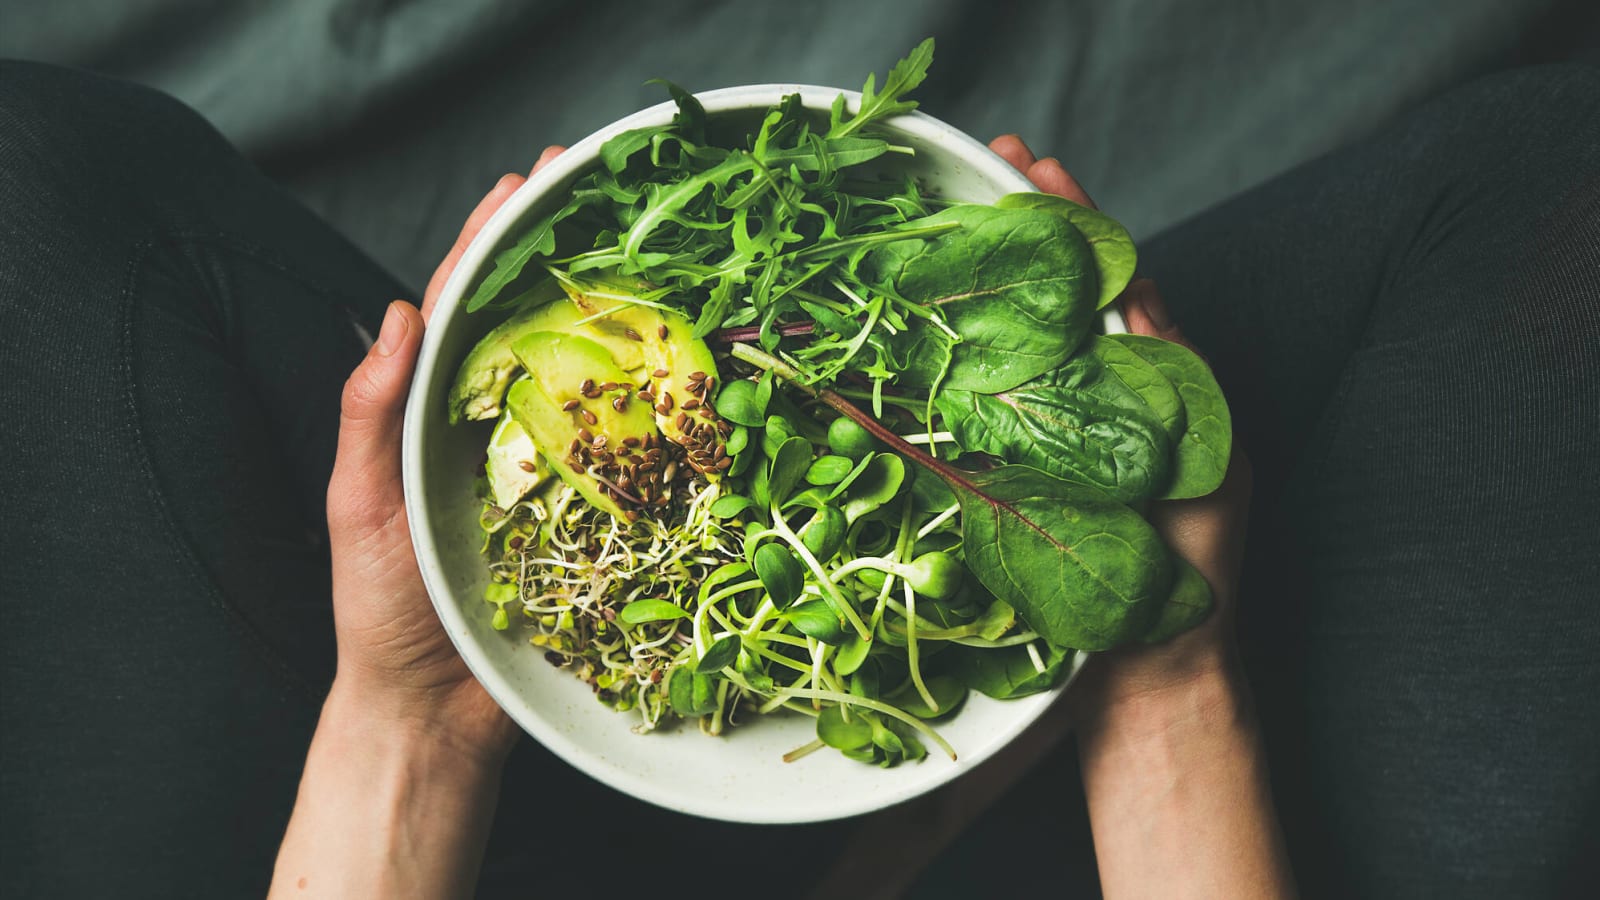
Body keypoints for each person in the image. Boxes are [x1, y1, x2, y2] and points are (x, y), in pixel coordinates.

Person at [2, 59, 1596, 898]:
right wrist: (1166, 696)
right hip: (1063, 838)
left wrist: (409, 721)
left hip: (464, 850)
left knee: (30, 190)